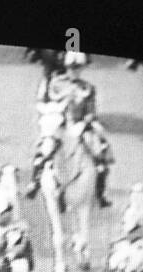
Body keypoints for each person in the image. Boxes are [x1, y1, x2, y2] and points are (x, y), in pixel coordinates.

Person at [25, 51, 113, 207]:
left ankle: (101, 192)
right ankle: (35, 182)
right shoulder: (57, 84)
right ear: (66, 67)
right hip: (61, 124)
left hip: (80, 125)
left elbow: (91, 111)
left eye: (78, 68)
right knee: (45, 147)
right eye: (72, 68)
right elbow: (50, 103)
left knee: (99, 148)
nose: (75, 71)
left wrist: (86, 121)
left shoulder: (88, 87)